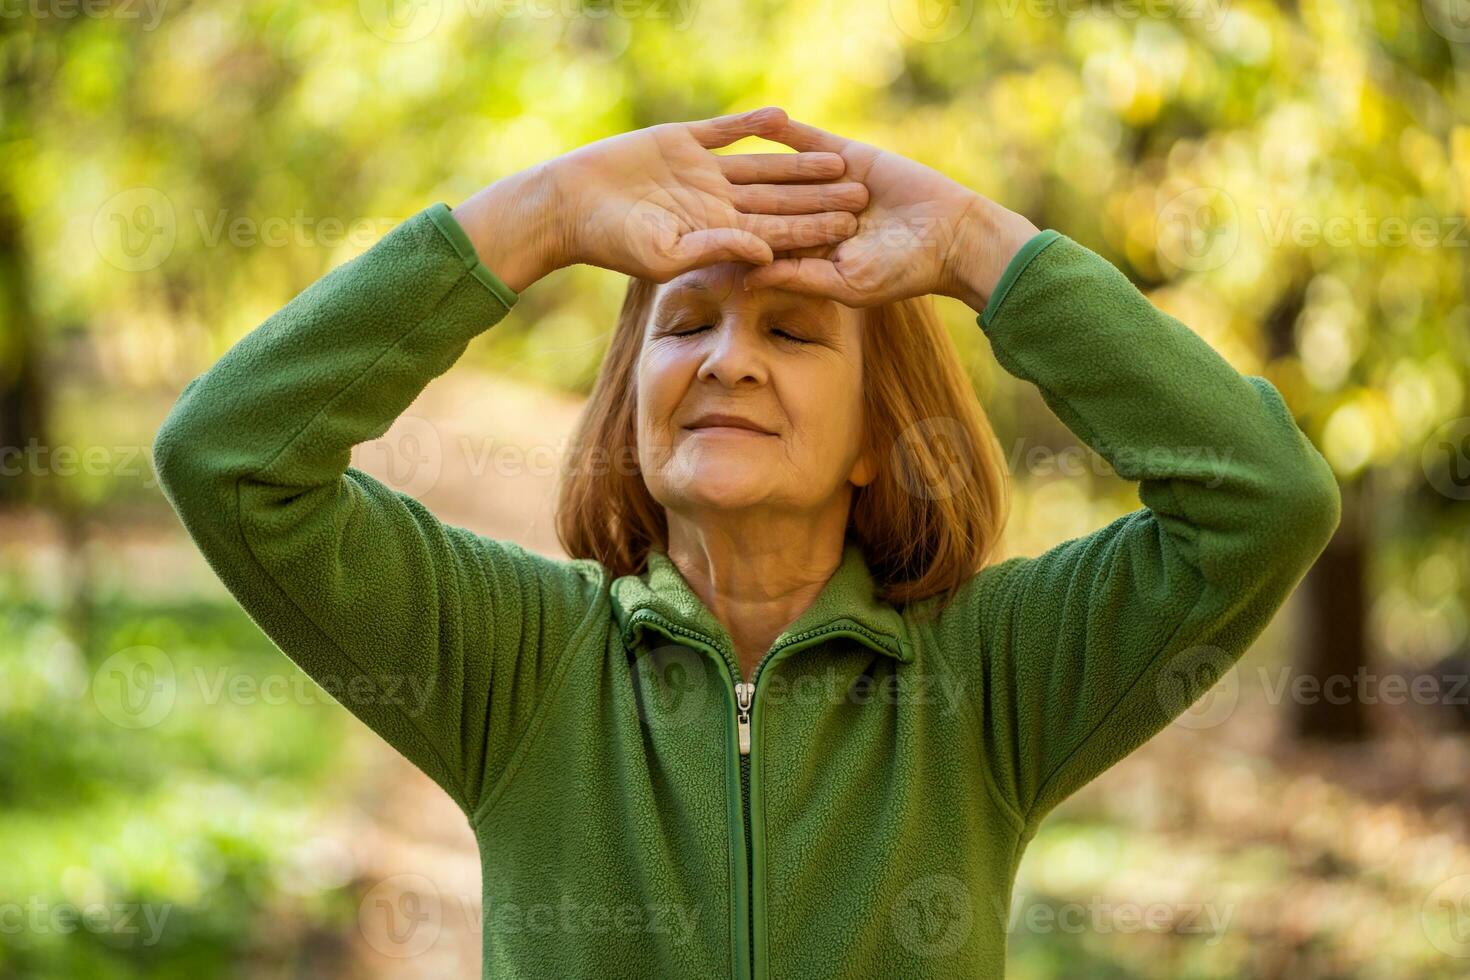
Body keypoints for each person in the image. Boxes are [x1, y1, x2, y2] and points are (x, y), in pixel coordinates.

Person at [152, 106, 1341, 978]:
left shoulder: (989, 678)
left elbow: (1265, 499)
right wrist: (543, 214)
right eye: (686, 322)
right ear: (630, 406)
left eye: (795, 330)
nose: (728, 358)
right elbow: (231, 455)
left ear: (881, 435)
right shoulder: (519, 663)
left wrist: (985, 248)